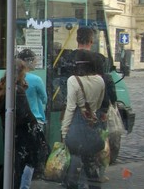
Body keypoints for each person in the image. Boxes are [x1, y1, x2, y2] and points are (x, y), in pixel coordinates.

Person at [0, 59, 46, 189]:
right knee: (17, 170)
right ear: (21, 74)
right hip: (20, 137)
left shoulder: (0, 87)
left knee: (9, 167)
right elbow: (25, 115)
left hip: (8, 132)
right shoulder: (17, 91)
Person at [61, 50, 105, 189]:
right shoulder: (100, 80)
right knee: (91, 166)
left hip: (77, 127)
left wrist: (64, 131)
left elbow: (70, 108)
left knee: (74, 163)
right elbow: (98, 104)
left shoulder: (73, 80)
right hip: (92, 125)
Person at [16, 49, 48, 127]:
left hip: (18, 119)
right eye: (34, 60)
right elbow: (45, 99)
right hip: (35, 119)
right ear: (28, 62)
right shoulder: (36, 80)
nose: (36, 63)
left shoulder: (13, 77)